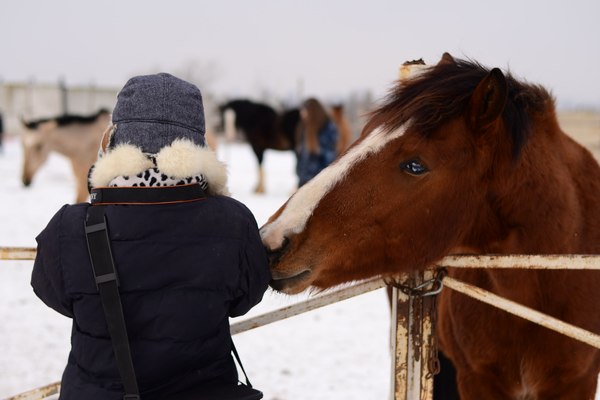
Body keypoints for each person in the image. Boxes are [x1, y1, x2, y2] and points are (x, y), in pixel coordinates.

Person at [31, 73, 270, 400]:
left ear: (114, 140)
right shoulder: (233, 223)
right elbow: (245, 298)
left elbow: (53, 294)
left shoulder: (69, 228)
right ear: (197, 144)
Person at [296, 98, 339, 186]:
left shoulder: (328, 127)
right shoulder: (305, 127)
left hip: (321, 182)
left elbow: (330, 156)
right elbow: (302, 157)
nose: (302, 113)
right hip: (305, 181)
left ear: (312, 111)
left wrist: (318, 151)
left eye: (304, 110)